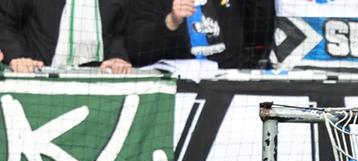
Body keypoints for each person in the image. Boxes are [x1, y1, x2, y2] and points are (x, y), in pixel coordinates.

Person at [0, 0, 130, 73]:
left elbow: (117, 33)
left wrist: (117, 58)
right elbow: (4, 22)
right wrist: (17, 57)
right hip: (37, 79)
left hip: (95, 85)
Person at [125, 0, 247, 70]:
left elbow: (258, 29)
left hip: (229, 87)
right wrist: (171, 23)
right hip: (173, 91)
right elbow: (137, 53)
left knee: (265, 112)